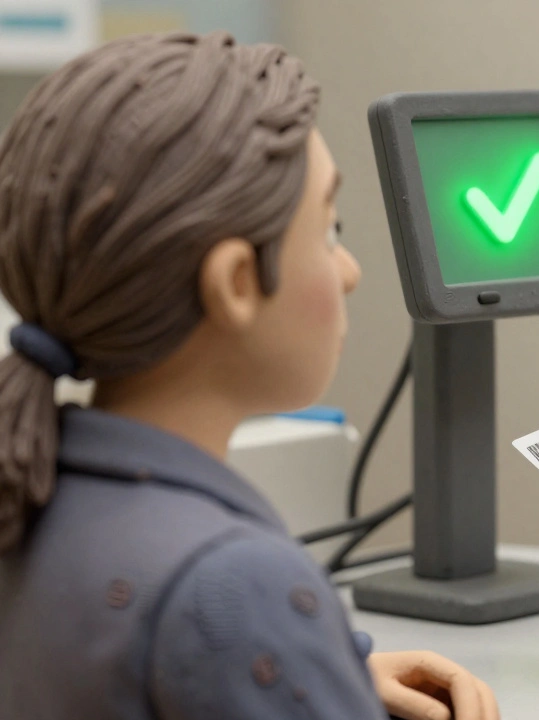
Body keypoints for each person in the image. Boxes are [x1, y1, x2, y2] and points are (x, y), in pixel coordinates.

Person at [0, 33, 498, 720]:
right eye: (329, 231)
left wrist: (315, 668)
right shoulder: (233, 586)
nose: (349, 270)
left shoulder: (29, 495)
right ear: (236, 283)